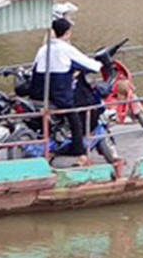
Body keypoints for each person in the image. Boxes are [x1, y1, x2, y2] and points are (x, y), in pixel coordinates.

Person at [29, 17, 102, 156]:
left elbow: (34, 66)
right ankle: (78, 150)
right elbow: (92, 66)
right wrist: (99, 64)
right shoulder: (66, 49)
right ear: (67, 33)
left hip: (38, 93)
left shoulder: (43, 49)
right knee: (74, 117)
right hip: (58, 96)